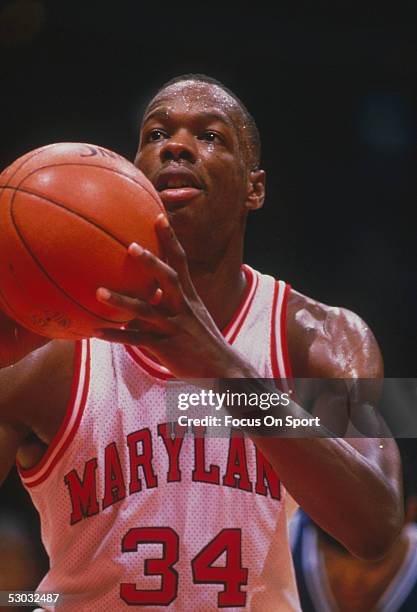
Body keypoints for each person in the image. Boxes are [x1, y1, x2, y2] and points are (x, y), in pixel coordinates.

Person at [0, 74, 402, 610]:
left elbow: (376, 528)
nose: (176, 145)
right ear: (130, 174)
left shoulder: (316, 336)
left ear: (254, 189)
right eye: (155, 133)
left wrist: (221, 367)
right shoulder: (56, 346)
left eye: (211, 136)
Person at [290, 439, 417, 612]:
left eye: (372, 573)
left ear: (411, 513)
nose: (352, 585)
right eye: (336, 567)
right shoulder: (283, 540)